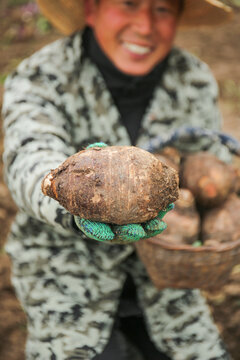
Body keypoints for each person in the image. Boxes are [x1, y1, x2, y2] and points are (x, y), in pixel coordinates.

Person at [1, 0, 234, 359]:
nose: (144, 25)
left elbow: (207, 162)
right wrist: (65, 197)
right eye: (129, 3)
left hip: (168, 276)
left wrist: (214, 204)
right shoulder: (41, 75)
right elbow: (26, 159)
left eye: (162, 9)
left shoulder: (193, 78)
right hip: (64, 272)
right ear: (91, 9)